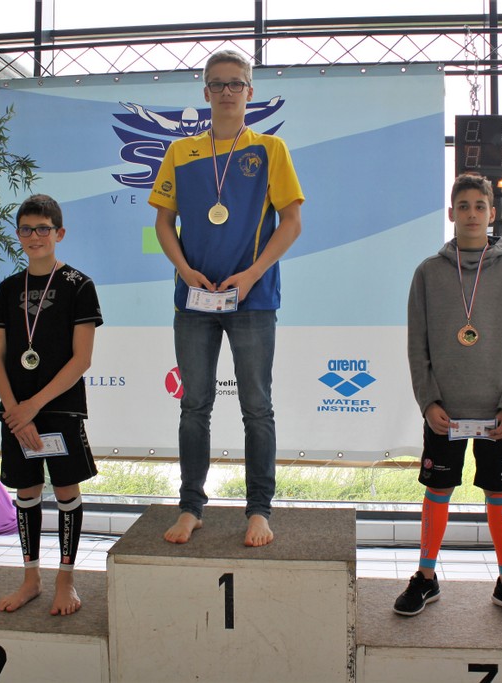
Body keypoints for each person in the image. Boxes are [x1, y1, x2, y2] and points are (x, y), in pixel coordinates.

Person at [148, 49, 304, 547]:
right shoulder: (180, 152)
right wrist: (185, 271)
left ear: (250, 91)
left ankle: (259, 511)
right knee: (194, 406)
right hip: (194, 300)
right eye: (217, 83)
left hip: (252, 300)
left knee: (257, 407)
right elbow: (163, 223)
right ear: (206, 92)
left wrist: (253, 274)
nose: (227, 91)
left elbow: (292, 222)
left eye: (236, 83)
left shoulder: (270, 150)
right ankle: (190, 507)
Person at [393, 173, 502, 623]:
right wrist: (428, 402)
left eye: (480, 206)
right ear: (451, 213)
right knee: (438, 490)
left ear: (492, 213)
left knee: (500, 491)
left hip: (497, 413)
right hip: (445, 412)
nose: (472, 214)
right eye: (464, 206)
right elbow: (417, 346)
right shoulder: (428, 273)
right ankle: (426, 577)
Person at [0, 194, 103, 616]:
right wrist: (15, 412)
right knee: (27, 492)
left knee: (66, 491)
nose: (34, 236)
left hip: (58, 408)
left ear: (59, 233)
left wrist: (32, 407)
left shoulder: (79, 285)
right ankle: (30, 579)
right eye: (26, 229)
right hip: (16, 411)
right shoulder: (8, 288)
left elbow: (82, 359)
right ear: (18, 235)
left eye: (42, 229)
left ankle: (65, 581)